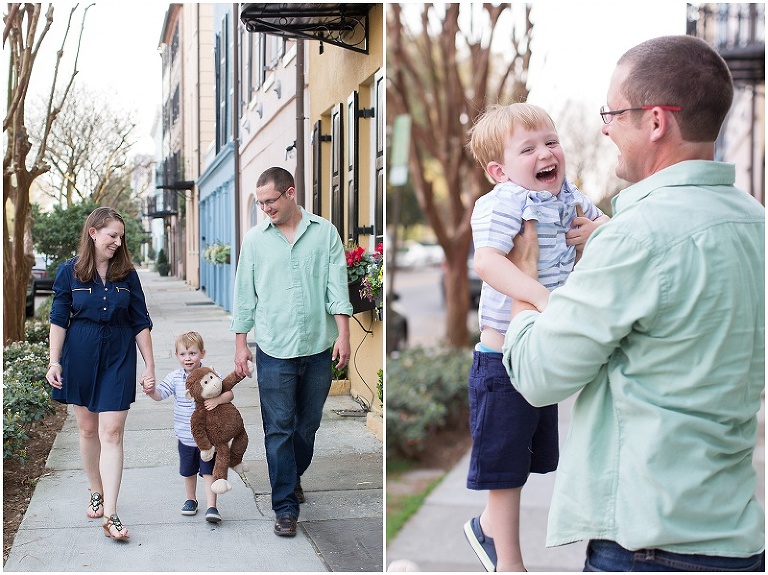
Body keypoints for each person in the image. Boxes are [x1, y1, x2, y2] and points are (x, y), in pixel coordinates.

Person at [503, 35, 765, 572]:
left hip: (649, 547)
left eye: (613, 113)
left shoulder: (636, 237)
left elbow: (538, 374)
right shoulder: (756, 226)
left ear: (655, 122)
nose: (603, 128)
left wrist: (522, 277)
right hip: (738, 543)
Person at [463, 102, 609, 572]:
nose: (546, 152)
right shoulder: (502, 203)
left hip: (538, 352)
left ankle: (486, 526)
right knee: (505, 468)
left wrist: (596, 232)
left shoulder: (567, 195)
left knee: (527, 458)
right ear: (499, 171)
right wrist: (545, 299)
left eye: (551, 141)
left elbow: (608, 229)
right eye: (529, 148)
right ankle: (508, 562)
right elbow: (487, 262)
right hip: (503, 356)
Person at [231, 166, 353, 538]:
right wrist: (241, 343)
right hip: (273, 347)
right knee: (279, 428)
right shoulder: (254, 241)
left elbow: (337, 288)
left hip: (318, 343)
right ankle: (285, 505)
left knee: (307, 425)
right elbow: (244, 293)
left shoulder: (324, 233)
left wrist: (343, 335)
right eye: (261, 202)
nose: (265, 207)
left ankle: (291, 475)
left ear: (290, 193)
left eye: (270, 200)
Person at [46, 206, 155, 541]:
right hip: (80, 356)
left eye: (121, 236)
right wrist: (54, 361)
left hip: (119, 356)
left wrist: (150, 364)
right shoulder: (69, 272)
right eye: (112, 235)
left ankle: (112, 514)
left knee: (112, 433)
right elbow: (58, 318)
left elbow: (140, 321)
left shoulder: (127, 275)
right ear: (93, 233)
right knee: (88, 429)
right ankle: (96, 489)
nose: (118, 242)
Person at [142, 331, 234, 523]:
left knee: (208, 471)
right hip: (185, 436)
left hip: (209, 439)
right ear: (177, 356)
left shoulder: (211, 375)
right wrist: (150, 391)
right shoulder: (175, 377)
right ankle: (190, 499)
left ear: (202, 353)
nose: (188, 358)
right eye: (183, 354)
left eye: (192, 353)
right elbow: (161, 394)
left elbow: (229, 394)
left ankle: (212, 506)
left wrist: (217, 400)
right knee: (188, 471)